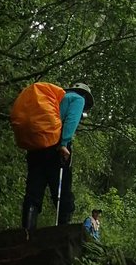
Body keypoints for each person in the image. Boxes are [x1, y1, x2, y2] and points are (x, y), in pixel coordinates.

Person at [21, 83, 94, 230]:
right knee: (62, 192)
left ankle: (27, 233)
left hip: (37, 147)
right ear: (85, 95)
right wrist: (64, 143)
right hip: (56, 147)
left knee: (34, 191)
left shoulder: (55, 98)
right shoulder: (78, 98)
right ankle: (62, 232)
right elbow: (71, 120)